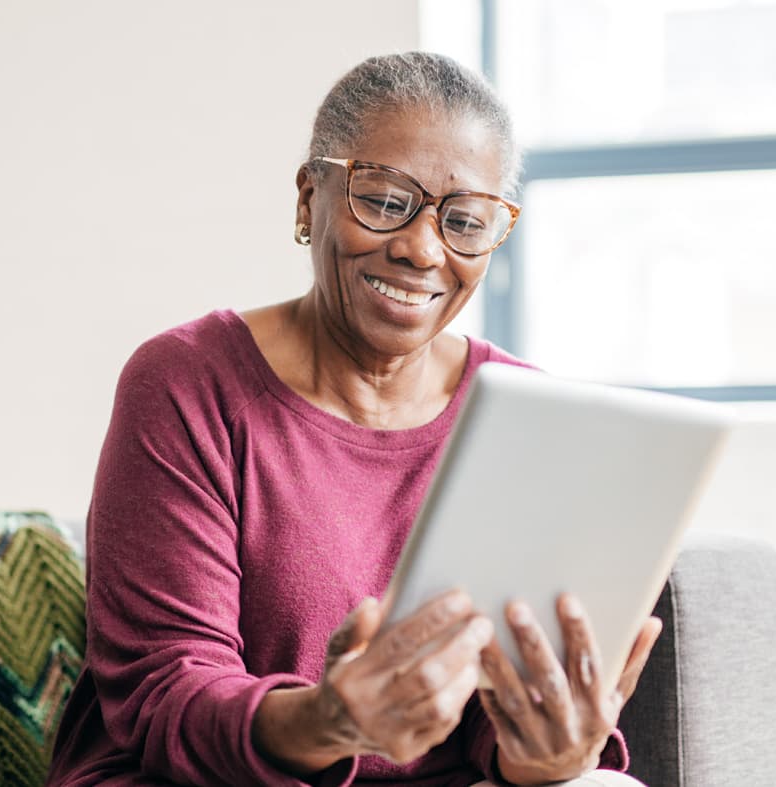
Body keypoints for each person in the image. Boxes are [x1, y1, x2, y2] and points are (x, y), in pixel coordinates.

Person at [46, 52, 661, 787]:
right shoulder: (187, 382)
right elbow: (166, 693)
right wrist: (328, 720)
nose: (422, 249)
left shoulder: (522, 412)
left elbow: (497, 715)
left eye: (465, 221)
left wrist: (544, 753)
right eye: (385, 200)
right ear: (311, 198)